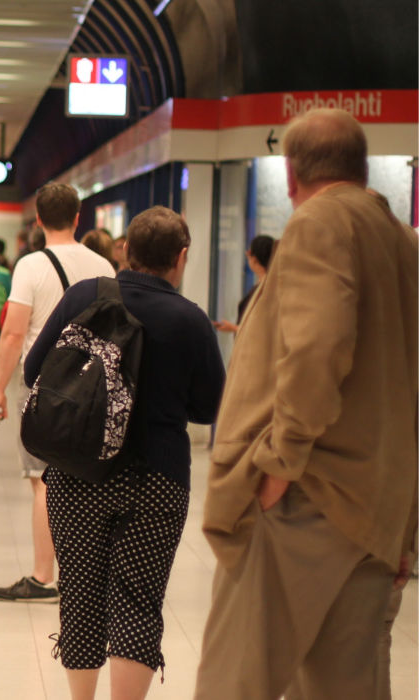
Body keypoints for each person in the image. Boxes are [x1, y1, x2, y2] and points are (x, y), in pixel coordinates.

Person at [194, 108, 418, 699]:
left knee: (233, 681)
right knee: (345, 685)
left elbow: (319, 345)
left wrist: (278, 463)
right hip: (374, 505)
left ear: (290, 175)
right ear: (363, 166)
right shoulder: (400, 240)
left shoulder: (318, 224)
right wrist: (407, 522)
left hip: (306, 499)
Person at [27, 206, 225, 699]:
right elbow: (208, 407)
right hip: (157, 480)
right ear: (181, 258)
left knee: (81, 596)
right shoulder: (191, 319)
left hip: (78, 473)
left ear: (124, 250)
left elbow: (35, 371)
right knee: (138, 601)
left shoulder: (85, 297)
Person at [0, 183, 115, 602]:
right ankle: (87, 576)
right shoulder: (104, 265)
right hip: (94, 385)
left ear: (38, 220)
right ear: (79, 218)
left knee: (43, 479)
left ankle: (44, 577)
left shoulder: (31, 265)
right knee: (86, 477)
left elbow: (14, 332)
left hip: (44, 386)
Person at [212, 234, 275, 334]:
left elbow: (261, 330)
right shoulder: (268, 286)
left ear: (253, 257)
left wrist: (235, 328)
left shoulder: (266, 289)